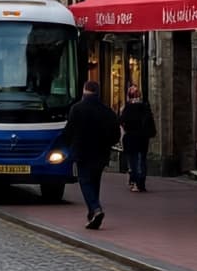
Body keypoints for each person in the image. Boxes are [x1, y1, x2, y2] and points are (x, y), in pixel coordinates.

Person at [60, 80, 121, 229]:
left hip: (82, 152)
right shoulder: (107, 111)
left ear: (84, 90)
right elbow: (116, 134)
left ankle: (95, 209)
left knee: (85, 182)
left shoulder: (77, 109)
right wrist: (107, 144)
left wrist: (67, 145)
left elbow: (69, 131)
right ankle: (92, 215)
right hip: (101, 153)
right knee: (95, 183)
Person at [119, 84, 157, 193]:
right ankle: (141, 183)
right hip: (143, 138)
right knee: (142, 160)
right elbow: (150, 121)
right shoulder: (145, 107)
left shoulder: (128, 108)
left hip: (131, 137)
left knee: (133, 161)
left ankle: (135, 182)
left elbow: (121, 121)